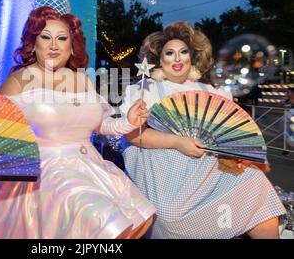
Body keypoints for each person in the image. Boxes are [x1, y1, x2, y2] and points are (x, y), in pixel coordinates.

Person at [0, 6, 156, 239]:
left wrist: (128, 121)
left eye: (62, 38)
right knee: (103, 220)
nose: (54, 45)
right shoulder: (18, 82)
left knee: (139, 218)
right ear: (34, 43)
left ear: (71, 46)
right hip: (45, 177)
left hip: (91, 170)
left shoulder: (83, 81)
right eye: (45, 37)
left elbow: (101, 125)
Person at [120, 22, 286, 239]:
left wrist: (248, 155)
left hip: (210, 167)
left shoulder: (213, 92)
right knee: (170, 216)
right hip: (165, 170)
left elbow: (230, 134)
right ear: (159, 60)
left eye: (183, 52)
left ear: (193, 56)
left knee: (258, 190)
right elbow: (133, 134)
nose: (177, 59)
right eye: (169, 53)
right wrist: (178, 142)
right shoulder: (143, 90)